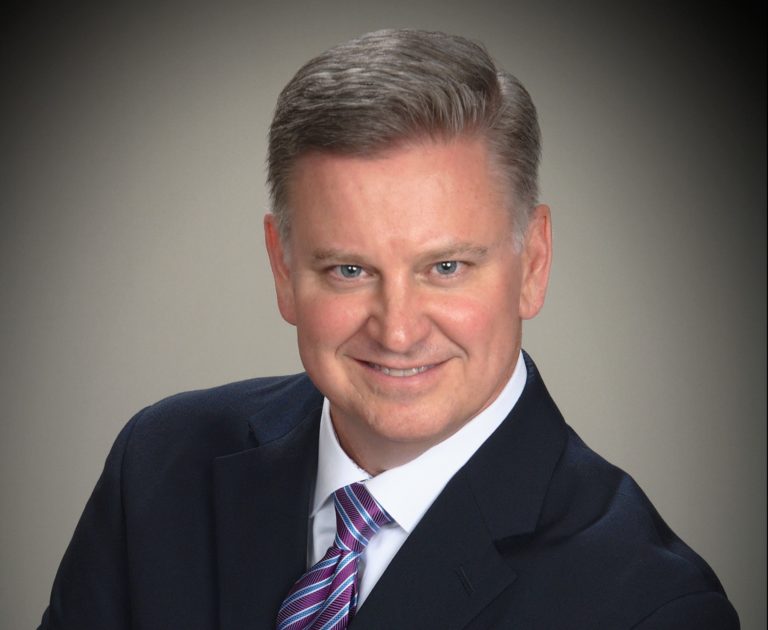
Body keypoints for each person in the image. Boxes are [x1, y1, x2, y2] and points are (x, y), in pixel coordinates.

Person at [39, 29, 739, 630]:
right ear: (283, 267)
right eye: (349, 270)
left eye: (446, 267)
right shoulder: (159, 470)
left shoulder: (649, 604)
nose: (398, 331)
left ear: (533, 263)